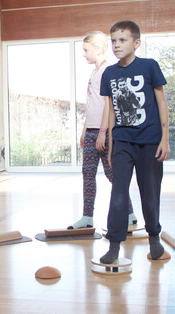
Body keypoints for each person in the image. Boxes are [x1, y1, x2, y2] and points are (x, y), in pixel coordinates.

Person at [99, 20, 170, 264]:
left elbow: (161, 103)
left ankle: (154, 237)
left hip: (150, 141)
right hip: (122, 141)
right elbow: (110, 110)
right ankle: (115, 245)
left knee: (150, 192)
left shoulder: (150, 67)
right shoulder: (109, 73)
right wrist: (109, 143)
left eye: (122, 40)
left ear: (136, 43)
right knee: (118, 193)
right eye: (113, 41)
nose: (116, 45)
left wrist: (165, 139)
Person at [68, 31, 137, 230]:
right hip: (90, 131)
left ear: (98, 49)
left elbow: (109, 105)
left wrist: (102, 132)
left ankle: (130, 213)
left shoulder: (108, 70)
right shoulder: (94, 72)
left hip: (104, 132)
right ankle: (87, 217)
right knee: (87, 174)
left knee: (112, 175)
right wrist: (84, 130)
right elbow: (92, 104)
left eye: (86, 50)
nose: (84, 54)